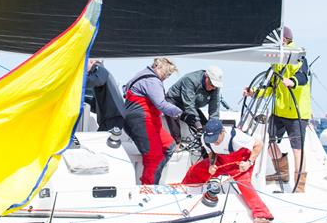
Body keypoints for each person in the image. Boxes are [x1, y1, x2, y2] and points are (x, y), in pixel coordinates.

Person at [243, 26, 311, 192]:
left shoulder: (296, 55)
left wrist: (292, 81)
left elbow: (303, 75)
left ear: (283, 40)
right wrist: (254, 93)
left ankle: (299, 185)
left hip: (297, 113)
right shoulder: (277, 61)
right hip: (279, 111)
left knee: (297, 148)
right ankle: (282, 173)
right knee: (269, 142)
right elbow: (271, 87)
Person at [181, 119, 274, 223]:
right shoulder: (205, 139)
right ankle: (183, 191)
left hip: (239, 163)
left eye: (215, 139)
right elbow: (211, 152)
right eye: (211, 139)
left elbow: (258, 144)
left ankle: (262, 215)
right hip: (221, 160)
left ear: (222, 132)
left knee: (244, 184)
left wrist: (249, 162)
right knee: (196, 170)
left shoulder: (236, 137)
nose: (214, 142)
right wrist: (212, 164)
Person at [123, 57, 182, 185]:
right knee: (154, 156)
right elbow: (161, 104)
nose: (167, 76)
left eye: (169, 75)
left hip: (147, 120)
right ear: (158, 67)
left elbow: (124, 90)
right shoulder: (152, 80)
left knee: (169, 145)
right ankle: (148, 188)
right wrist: (180, 112)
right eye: (167, 73)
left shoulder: (142, 76)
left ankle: (153, 181)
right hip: (141, 120)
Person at [164, 66, 223, 144]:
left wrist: (214, 128)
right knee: (175, 115)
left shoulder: (215, 87)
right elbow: (189, 105)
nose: (213, 88)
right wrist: (197, 124)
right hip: (174, 101)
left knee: (206, 127)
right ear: (206, 77)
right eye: (212, 84)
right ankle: (177, 143)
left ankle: (206, 150)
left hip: (192, 106)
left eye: (216, 86)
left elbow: (214, 109)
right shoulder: (190, 79)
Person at [85, 59, 125, 132]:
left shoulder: (99, 68)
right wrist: (82, 99)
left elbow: (97, 80)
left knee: (99, 141)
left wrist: (76, 82)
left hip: (113, 119)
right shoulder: (99, 73)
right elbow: (95, 106)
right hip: (111, 119)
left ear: (91, 61)